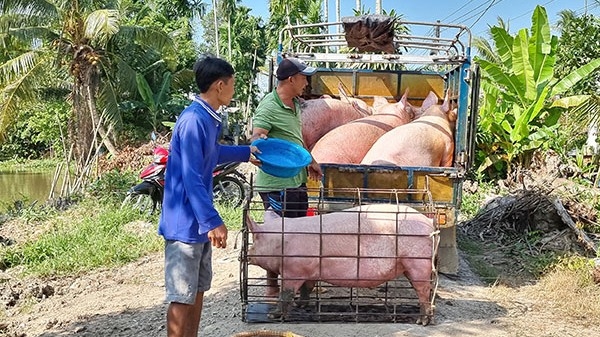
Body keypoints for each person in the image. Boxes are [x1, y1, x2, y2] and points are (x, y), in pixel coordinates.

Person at [158, 55, 259, 337]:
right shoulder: (193, 120)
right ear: (219, 86)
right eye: (232, 84)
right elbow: (191, 176)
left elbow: (212, 153)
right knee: (181, 294)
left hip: (197, 224)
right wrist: (212, 220)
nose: (234, 90)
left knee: (198, 289)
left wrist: (246, 152)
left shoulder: (207, 118)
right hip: (185, 224)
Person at [251, 56, 323, 297]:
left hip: (295, 180)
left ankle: (297, 285)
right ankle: (273, 289)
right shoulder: (269, 106)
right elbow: (257, 136)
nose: (306, 82)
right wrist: (258, 141)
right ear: (291, 79)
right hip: (276, 183)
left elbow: (294, 141)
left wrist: (310, 161)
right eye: (303, 78)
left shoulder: (294, 105)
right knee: (277, 237)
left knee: (297, 236)